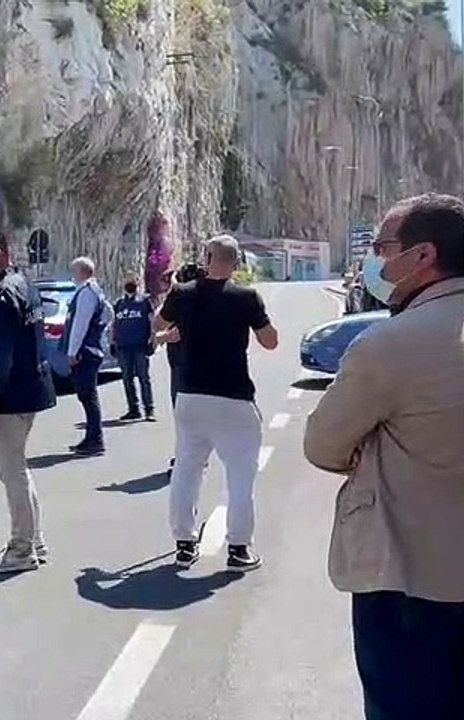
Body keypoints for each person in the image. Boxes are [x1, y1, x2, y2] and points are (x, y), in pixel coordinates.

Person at [303, 193, 464, 720]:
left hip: (411, 584)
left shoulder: (390, 344)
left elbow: (323, 445)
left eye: (381, 246)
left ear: (423, 255)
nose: (374, 259)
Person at [154, 236, 278, 571]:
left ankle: (183, 543)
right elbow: (270, 342)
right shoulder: (246, 297)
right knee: (240, 476)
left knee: (187, 469)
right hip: (233, 397)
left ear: (207, 258)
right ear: (236, 263)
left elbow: (158, 325)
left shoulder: (182, 293)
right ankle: (238, 549)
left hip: (190, 397)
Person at [0, 232, 52, 574]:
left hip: (11, 394)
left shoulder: (3, 296)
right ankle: (34, 540)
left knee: (11, 471)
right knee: (18, 467)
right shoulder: (24, 284)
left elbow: (0, 358)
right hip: (31, 388)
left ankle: (21, 549)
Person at [65, 256, 109, 456]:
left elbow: (80, 325)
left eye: (74, 272)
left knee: (88, 395)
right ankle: (91, 437)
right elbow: (109, 314)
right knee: (86, 395)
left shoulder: (86, 293)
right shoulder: (96, 292)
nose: (72, 276)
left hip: (85, 352)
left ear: (81, 272)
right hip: (91, 349)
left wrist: (72, 351)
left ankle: (95, 439)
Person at [110, 277, 156, 422]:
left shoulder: (144, 302)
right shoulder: (119, 303)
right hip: (123, 346)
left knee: (144, 378)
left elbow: (152, 321)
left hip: (140, 345)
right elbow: (114, 324)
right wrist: (112, 342)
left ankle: (149, 409)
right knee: (127, 378)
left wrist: (152, 339)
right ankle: (133, 409)